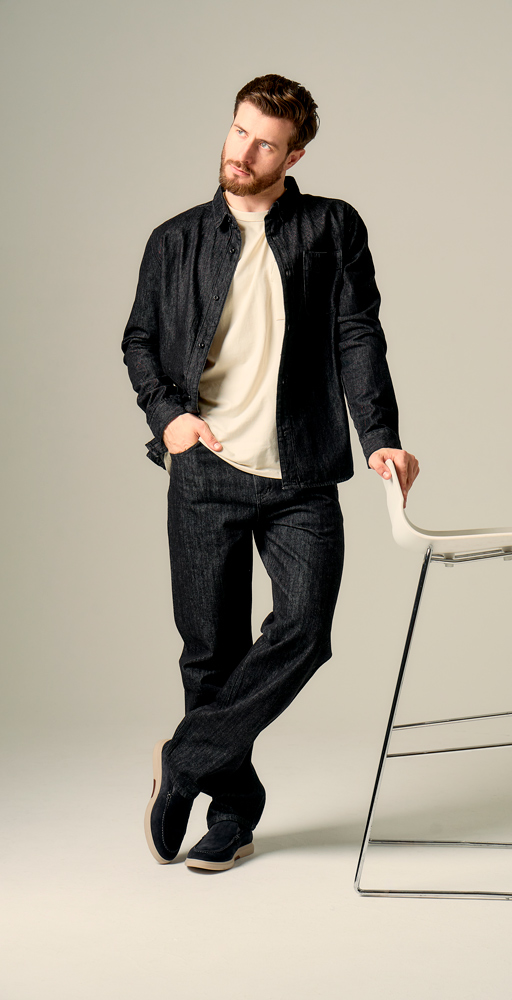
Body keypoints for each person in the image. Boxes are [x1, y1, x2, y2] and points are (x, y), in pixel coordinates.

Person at [122, 74, 419, 871]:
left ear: (294, 155)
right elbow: (139, 340)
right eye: (238, 131)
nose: (243, 152)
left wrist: (381, 437)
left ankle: (182, 760)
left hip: (301, 473)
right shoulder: (176, 239)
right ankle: (232, 816)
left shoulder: (329, 226)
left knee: (305, 631)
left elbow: (357, 332)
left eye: (264, 143)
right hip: (204, 471)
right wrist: (167, 417)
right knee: (209, 653)